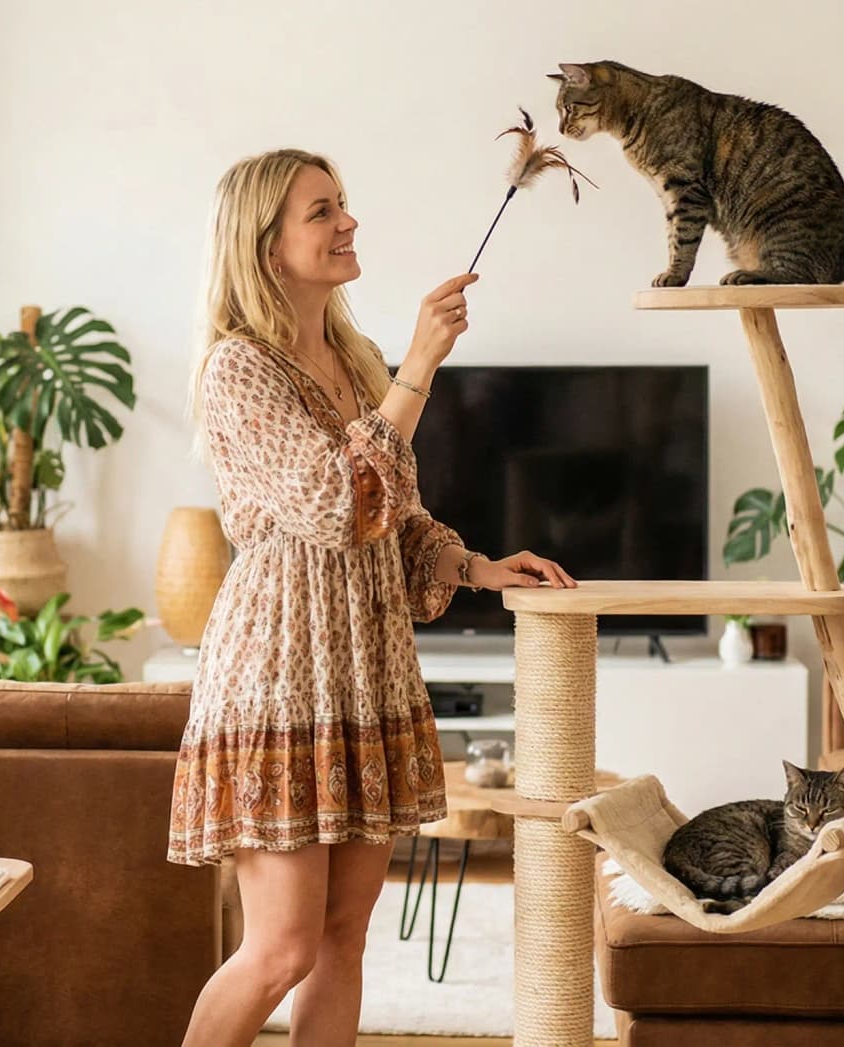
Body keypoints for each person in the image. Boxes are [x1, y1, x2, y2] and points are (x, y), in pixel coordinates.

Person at [170, 148, 577, 1045]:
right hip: (279, 675)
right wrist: (423, 365)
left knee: (343, 940)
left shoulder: (354, 356)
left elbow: (389, 517)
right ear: (266, 243)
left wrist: (477, 565)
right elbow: (330, 501)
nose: (348, 221)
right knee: (279, 948)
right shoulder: (240, 368)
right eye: (322, 211)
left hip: (365, 670)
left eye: (342, 203)